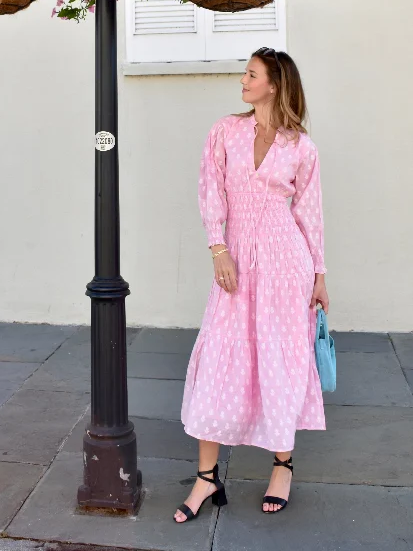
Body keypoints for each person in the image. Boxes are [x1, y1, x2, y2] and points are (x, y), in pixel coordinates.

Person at [173, 46, 329, 523]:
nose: (243, 80)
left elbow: (309, 212)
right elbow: (209, 191)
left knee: (280, 359)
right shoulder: (226, 130)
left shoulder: (301, 147)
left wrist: (319, 274)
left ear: (274, 84)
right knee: (220, 354)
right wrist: (218, 249)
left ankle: (282, 466)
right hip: (236, 259)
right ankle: (206, 477)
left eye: (251, 74)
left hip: (286, 264)